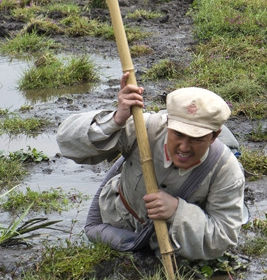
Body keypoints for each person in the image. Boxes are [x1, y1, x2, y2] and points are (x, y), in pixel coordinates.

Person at [56, 74, 245, 261]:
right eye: (178, 135)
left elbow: (223, 238)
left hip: (175, 247)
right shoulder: (144, 128)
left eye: (197, 139)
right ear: (168, 123)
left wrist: (178, 212)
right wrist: (116, 120)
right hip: (115, 225)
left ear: (214, 136)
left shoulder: (226, 170)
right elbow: (66, 142)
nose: (184, 147)